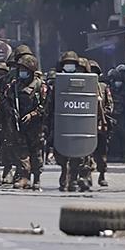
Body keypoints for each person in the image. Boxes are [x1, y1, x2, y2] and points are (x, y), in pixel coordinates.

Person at [46, 52, 92, 192]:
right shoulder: (58, 85)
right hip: (61, 125)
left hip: (79, 125)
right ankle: (65, 175)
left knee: (78, 155)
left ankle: (73, 179)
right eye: (67, 64)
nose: (69, 66)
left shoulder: (86, 84)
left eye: (72, 64)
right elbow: (50, 105)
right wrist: (47, 124)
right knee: (61, 154)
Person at [2, 53, 46, 190]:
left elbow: (46, 106)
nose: (22, 72)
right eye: (20, 69)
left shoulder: (40, 86)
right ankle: (24, 177)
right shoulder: (15, 85)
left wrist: (32, 114)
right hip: (19, 124)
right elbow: (5, 99)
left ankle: (37, 178)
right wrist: (10, 110)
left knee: (36, 153)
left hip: (35, 126)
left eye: (24, 70)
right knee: (22, 153)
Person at [89, 59, 114, 187]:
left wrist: (104, 115)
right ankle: (86, 175)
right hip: (87, 125)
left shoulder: (103, 88)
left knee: (102, 152)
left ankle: (102, 174)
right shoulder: (84, 87)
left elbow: (110, 105)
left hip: (101, 125)